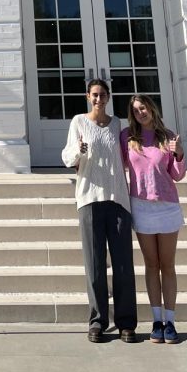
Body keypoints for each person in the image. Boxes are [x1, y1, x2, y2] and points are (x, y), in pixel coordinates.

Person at [61, 78, 138, 343]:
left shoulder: (118, 124)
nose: (98, 99)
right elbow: (68, 157)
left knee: (123, 265)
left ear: (108, 97)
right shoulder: (79, 122)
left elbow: (129, 157)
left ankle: (126, 323)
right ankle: (97, 322)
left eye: (103, 94)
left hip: (118, 199)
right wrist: (79, 151)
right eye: (94, 95)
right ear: (88, 96)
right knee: (94, 265)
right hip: (89, 199)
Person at [120, 94, 187, 345]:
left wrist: (179, 154)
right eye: (136, 110)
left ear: (151, 108)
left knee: (167, 265)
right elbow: (117, 165)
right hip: (142, 206)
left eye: (143, 107)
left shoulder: (167, 135)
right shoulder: (127, 137)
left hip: (167, 206)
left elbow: (177, 175)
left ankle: (170, 321)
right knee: (151, 264)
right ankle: (156, 320)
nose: (141, 113)